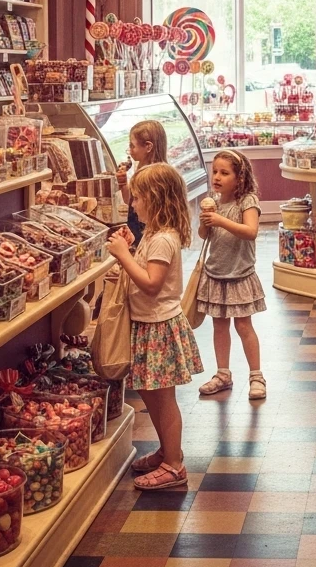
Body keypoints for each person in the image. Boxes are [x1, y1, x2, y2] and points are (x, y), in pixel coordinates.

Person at [106, 163, 203, 490]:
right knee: (150, 394)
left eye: (137, 199)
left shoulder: (163, 239)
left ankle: (175, 466)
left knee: (164, 400)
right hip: (149, 325)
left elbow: (151, 283)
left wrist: (123, 255)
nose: (133, 205)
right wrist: (132, 245)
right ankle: (167, 450)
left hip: (160, 328)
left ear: (156, 200)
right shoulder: (152, 233)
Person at [196, 148, 267, 400]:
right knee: (219, 325)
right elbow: (204, 236)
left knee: (244, 325)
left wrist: (219, 220)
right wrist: (205, 222)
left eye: (224, 173)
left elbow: (251, 231)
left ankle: (256, 376)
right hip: (215, 272)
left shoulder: (247, 201)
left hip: (240, 273)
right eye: (215, 171)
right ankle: (223, 373)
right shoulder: (213, 202)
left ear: (239, 178)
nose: (217, 177)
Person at [115, 120, 167, 248]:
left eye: (132, 146)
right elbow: (131, 202)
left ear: (148, 147)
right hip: (137, 234)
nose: (130, 150)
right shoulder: (141, 170)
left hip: (146, 236)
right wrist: (123, 184)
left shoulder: (154, 177)